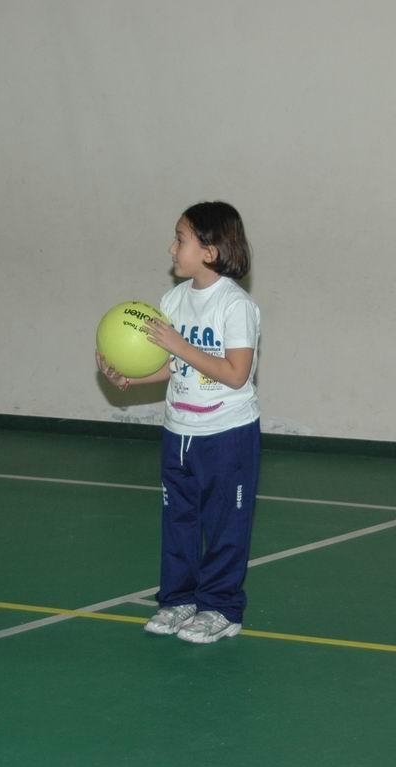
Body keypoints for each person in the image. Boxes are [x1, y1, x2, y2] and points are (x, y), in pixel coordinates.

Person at [97, 201, 261, 644]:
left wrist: (178, 344)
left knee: (226, 525)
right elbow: (174, 367)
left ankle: (221, 608)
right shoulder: (172, 300)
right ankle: (179, 599)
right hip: (179, 433)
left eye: (181, 239)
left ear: (210, 250)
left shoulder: (234, 306)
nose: (171, 248)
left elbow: (235, 372)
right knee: (179, 520)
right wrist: (130, 376)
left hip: (227, 434)